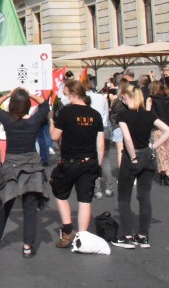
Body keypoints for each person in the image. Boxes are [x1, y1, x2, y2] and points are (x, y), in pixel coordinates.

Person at [0, 89, 50, 258]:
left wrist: (8, 94)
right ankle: (27, 247)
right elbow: (45, 104)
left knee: (3, 205)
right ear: (28, 105)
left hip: (11, 165)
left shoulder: (8, 120)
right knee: (30, 209)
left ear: (11, 105)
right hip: (32, 166)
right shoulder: (34, 121)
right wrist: (30, 94)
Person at [111, 83, 169, 249]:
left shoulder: (123, 116)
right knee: (144, 197)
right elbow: (168, 130)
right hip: (148, 154)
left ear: (124, 97)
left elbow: (128, 139)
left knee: (124, 197)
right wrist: (154, 146)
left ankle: (127, 236)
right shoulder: (148, 114)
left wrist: (132, 156)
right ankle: (143, 236)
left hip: (132, 156)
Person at [48, 79, 104, 248]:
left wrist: (51, 121)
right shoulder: (95, 114)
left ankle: (67, 231)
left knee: (60, 194)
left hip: (70, 161)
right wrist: (98, 165)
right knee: (85, 200)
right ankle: (83, 236)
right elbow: (100, 143)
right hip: (89, 161)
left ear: (72, 93)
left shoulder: (66, 112)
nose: (65, 97)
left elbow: (54, 137)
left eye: (66, 94)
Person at [146, 80, 169, 186]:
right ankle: (165, 174)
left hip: (158, 128)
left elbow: (147, 114)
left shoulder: (150, 99)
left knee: (161, 152)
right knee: (167, 152)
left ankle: (166, 175)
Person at [86, 80, 113, 199]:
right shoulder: (101, 97)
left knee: (93, 159)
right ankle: (108, 188)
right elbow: (106, 114)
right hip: (104, 128)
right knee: (105, 159)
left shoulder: (84, 99)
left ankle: (96, 190)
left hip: (91, 130)